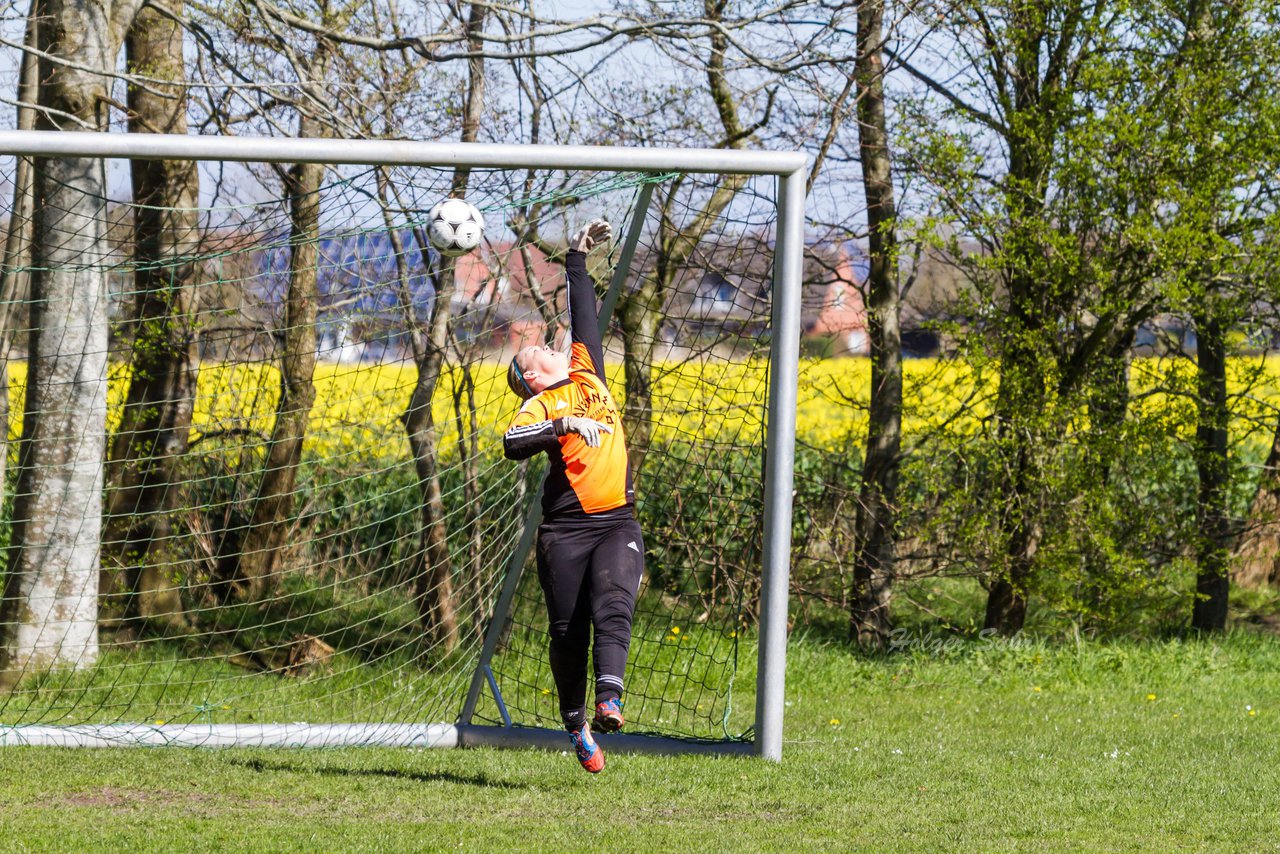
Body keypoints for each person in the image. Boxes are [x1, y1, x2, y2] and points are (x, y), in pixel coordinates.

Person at [501, 219, 643, 774]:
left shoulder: (587, 372)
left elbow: (584, 317)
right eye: (538, 352)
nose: (550, 346)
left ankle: (610, 699)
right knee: (567, 630)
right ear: (533, 378)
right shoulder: (538, 406)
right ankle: (575, 721)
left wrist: (579, 258)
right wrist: (562, 426)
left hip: (617, 522)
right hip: (565, 533)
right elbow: (512, 444)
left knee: (615, 602)